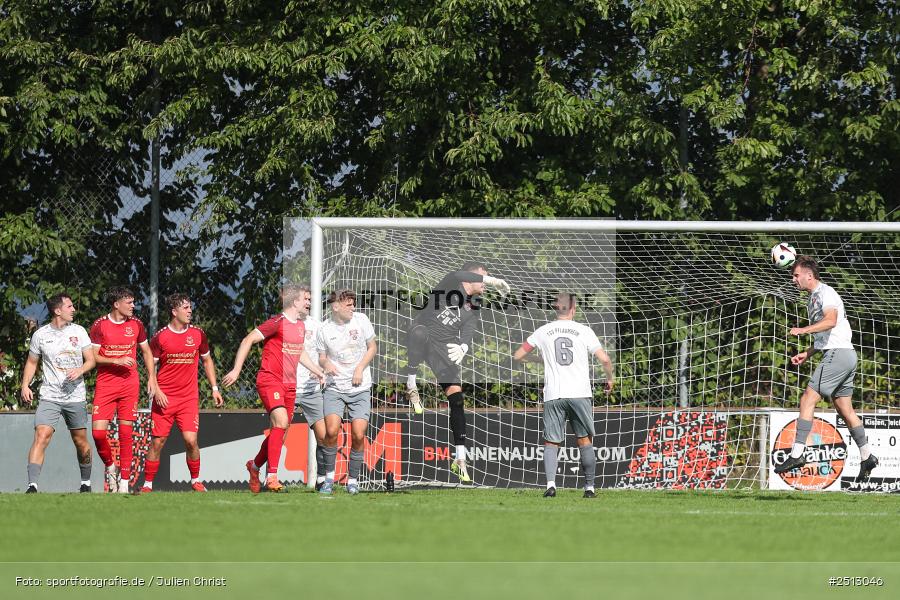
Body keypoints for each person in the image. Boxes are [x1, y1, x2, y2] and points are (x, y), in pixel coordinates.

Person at [403, 262, 510, 482]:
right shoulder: (451, 285)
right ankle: (411, 385)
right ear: (470, 277)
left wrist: (464, 346)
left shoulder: (473, 305)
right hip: (422, 336)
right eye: (482, 277)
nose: (485, 283)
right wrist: (491, 280)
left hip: (443, 350)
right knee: (420, 332)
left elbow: (469, 328)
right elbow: (456, 273)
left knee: (458, 400)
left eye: (486, 279)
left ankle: (459, 459)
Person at [774, 255, 878, 481]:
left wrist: (803, 330)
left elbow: (831, 321)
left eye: (796, 275)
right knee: (845, 409)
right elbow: (827, 335)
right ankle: (867, 456)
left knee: (807, 399)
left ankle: (797, 453)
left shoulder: (825, 293)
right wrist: (808, 352)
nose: (793, 279)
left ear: (809, 275)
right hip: (846, 355)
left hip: (839, 355)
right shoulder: (813, 298)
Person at [222, 284, 325, 493]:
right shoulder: (277, 323)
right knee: (281, 422)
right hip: (270, 380)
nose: (309, 303)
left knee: (281, 430)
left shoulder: (300, 326)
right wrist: (236, 370)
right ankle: (272, 477)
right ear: (294, 301)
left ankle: (255, 465)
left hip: (290, 385)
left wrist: (317, 370)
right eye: (306, 299)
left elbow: (299, 351)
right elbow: (248, 339)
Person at [513, 292, 614, 498]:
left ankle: (551, 485)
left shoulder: (543, 331)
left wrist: (539, 360)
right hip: (579, 393)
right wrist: (610, 378)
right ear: (573, 309)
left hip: (554, 394)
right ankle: (589, 488)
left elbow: (518, 355)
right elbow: (604, 359)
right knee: (585, 441)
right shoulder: (584, 330)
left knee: (551, 442)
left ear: (555, 309)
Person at [141, 293, 223, 493]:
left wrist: (214, 388)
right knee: (158, 442)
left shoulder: (197, 334)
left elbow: (207, 360)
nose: (190, 311)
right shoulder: (161, 337)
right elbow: (150, 364)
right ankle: (147, 485)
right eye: (185, 308)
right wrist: (156, 389)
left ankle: (196, 480)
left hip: (188, 399)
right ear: (174, 311)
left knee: (190, 440)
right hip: (164, 399)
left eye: (190, 307)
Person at [20, 293, 96, 493]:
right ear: (57, 311)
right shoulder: (41, 335)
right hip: (50, 396)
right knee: (41, 435)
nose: (73, 310)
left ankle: (86, 483)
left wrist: (80, 370)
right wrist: (25, 385)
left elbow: (91, 360)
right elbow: (32, 362)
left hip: (75, 396)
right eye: (69, 306)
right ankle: (32, 486)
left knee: (80, 441)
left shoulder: (79, 332)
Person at [89, 286, 157, 493]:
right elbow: (93, 357)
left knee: (126, 433)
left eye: (133, 302)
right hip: (106, 384)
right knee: (98, 434)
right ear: (116, 304)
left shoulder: (136, 324)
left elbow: (146, 351)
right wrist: (116, 359)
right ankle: (110, 466)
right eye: (129, 302)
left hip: (129, 384)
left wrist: (151, 378)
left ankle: (124, 483)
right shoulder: (100, 325)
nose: (133, 306)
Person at [316, 289, 377, 495]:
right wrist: (326, 364)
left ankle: (353, 480)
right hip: (334, 388)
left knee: (359, 434)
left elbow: (372, 348)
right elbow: (322, 357)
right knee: (331, 431)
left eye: (353, 304)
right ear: (335, 307)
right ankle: (328, 480)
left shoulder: (361, 320)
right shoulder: (324, 329)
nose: (353, 308)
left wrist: (360, 368)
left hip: (360, 388)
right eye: (349, 305)